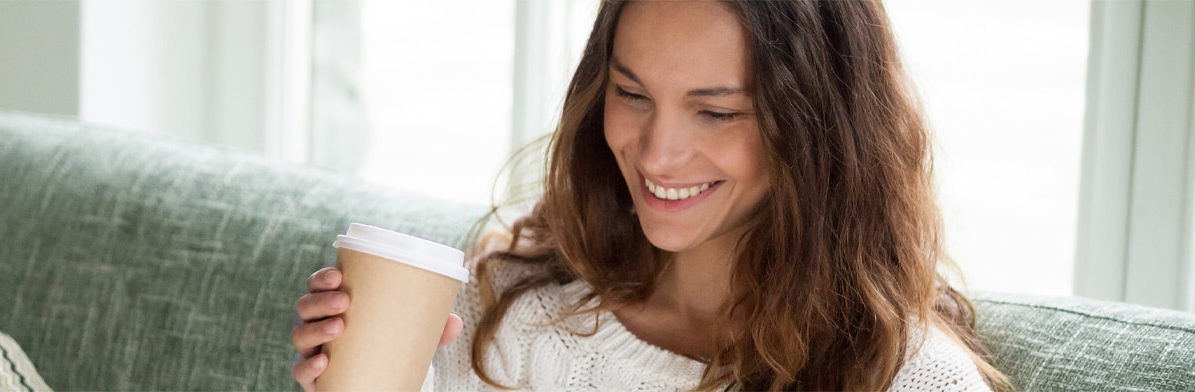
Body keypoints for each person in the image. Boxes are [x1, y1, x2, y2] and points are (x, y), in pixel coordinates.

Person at [293, 0, 1010, 390]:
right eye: (631, 94)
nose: (657, 154)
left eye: (718, 111)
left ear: (819, 129)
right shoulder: (513, 306)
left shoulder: (912, 380)